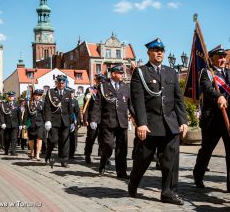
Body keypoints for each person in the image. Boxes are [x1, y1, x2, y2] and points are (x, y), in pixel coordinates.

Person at [128, 38, 188, 205]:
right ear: (148, 52)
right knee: (143, 159)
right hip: (150, 125)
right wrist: (141, 123)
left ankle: (168, 193)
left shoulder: (171, 72)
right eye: (155, 49)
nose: (159, 52)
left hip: (170, 124)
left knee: (171, 161)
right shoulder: (140, 72)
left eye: (161, 49)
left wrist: (183, 121)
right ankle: (133, 182)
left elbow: (178, 99)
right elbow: (137, 100)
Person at [193, 45, 230, 192]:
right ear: (212, 58)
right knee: (206, 150)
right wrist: (218, 96)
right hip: (212, 120)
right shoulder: (206, 72)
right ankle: (198, 175)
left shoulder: (228, 72)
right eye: (219, 57)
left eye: (224, 57)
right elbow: (207, 88)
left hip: (228, 118)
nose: (222, 59)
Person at [91, 65, 134, 178]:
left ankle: (121, 172)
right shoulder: (103, 86)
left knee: (122, 149)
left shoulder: (125, 87)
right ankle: (103, 162)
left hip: (122, 122)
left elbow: (131, 105)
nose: (122, 75)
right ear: (113, 74)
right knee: (108, 146)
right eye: (120, 73)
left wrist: (138, 119)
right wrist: (94, 119)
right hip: (107, 122)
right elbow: (97, 104)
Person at [44, 75, 74, 167]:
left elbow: (70, 109)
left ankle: (64, 160)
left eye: (63, 82)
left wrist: (72, 121)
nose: (61, 84)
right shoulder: (51, 92)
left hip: (65, 121)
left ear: (65, 83)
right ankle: (48, 154)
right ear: (56, 82)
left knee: (65, 141)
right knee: (53, 140)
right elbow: (47, 107)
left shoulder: (68, 93)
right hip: (54, 120)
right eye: (60, 82)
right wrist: (47, 120)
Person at [83, 73, 106, 163]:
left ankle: (103, 156)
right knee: (91, 138)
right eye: (99, 80)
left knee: (104, 139)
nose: (101, 82)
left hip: (104, 118)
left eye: (102, 80)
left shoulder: (106, 90)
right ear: (96, 81)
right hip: (93, 118)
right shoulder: (90, 90)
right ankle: (87, 155)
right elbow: (86, 106)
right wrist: (85, 119)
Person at [0, 91, 21, 156]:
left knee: (14, 138)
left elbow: (19, 115)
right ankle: (6, 150)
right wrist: (3, 123)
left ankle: (13, 151)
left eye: (12, 96)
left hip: (15, 124)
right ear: (7, 97)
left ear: (14, 97)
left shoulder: (17, 104)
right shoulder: (4, 104)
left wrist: (20, 124)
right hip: (7, 124)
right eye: (9, 96)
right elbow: (1, 115)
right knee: (7, 138)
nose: (10, 97)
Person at [26, 89, 45, 160]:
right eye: (36, 95)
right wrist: (25, 123)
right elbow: (26, 114)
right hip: (31, 123)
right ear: (33, 95)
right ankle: (32, 150)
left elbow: (45, 114)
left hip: (40, 123)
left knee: (39, 139)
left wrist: (46, 123)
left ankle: (37, 154)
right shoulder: (29, 103)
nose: (37, 96)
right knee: (31, 140)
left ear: (41, 96)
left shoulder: (43, 104)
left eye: (39, 95)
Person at [69, 89, 81, 159]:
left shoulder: (75, 101)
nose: (71, 94)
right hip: (67, 121)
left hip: (74, 121)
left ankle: (72, 152)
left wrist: (79, 122)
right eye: (70, 93)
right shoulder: (66, 100)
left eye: (72, 93)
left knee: (74, 137)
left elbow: (78, 112)